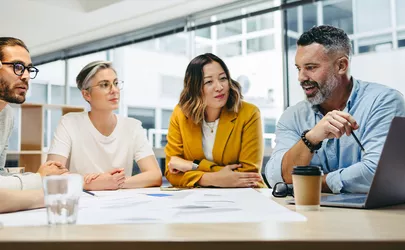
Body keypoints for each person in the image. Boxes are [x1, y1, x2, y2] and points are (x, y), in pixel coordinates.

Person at [265, 25, 405, 194]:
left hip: (376, 217)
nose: (301, 77)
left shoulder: (383, 102)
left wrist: (316, 182)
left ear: (341, 66)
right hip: (311, 216)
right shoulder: (292, 116)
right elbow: (276, 176)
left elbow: (379, 173)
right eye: (298, 68)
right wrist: (310, 139)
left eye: (310, 67)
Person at [47, 61, 162, 190]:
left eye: (116, 83)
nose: (114, 90)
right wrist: (90, 184)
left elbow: (155, 175)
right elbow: (51, 175)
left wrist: (114, 182)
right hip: (82, 204)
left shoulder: (133, 127)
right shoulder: (69, 123)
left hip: (120, 204)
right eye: (104, 85)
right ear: (86, 94)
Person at [165, 53, 264, 188]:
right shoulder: (180, 114)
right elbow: (171, 172)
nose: (219, 87)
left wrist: (192, 166)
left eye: (223, 78)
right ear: (195, 88)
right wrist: (213, 178)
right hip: (199, 199)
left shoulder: (249, 113)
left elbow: (248, 175)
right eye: (209, 82)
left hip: (245, 195)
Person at [0, 37, 68, 190]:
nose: (26, 76)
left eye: (28, 69)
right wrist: (37, 178)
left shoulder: (7, 114)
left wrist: (45, 176)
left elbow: (0, 174)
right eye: (18, 66)